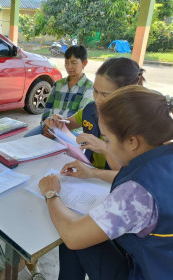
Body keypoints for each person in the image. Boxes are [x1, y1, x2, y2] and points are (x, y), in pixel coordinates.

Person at [39, 85, 173, 280]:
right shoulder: (163, 156)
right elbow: (135, 176)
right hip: (161, 261)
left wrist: (51, 194)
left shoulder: (137, 192)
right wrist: (94, 173)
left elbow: (72, 235)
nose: (105, 146)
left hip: (145, 272)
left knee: (72, 235)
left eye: (107, 140)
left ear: (132, 142)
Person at [46, 57, 145, 182]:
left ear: (126, 95)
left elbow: (130, 176)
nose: (97, 99)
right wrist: (58, 121)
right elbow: (68, 124)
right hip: (90, 176)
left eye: (105, 95)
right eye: (95, 91)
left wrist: (105, 149)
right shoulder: (91, 109)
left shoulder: (138, 125)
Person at [24, 45, 93, 137]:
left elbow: (80, 117)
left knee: (55, 148)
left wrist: (57, 130)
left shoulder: (89, 87)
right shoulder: (58, 84)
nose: (69, 67)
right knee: (26, 139)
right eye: (66, 63)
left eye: (73, 63)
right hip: (50, 126)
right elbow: (48, 107)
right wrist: (46, 125)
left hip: (71, 130)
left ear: (84, 63)